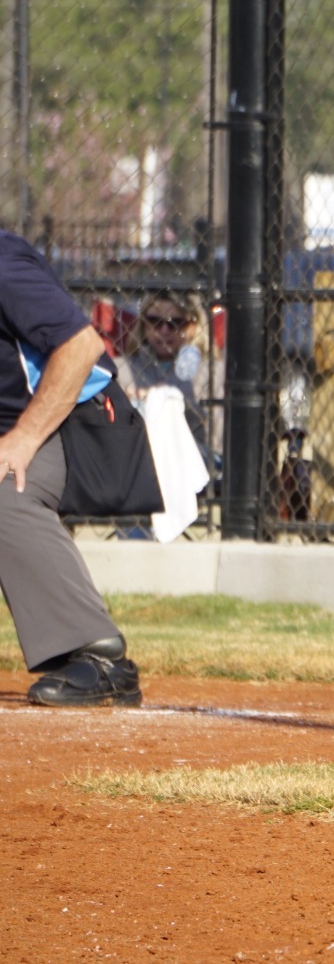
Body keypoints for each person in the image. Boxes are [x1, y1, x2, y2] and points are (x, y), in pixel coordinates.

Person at [0, 228, 144, 706]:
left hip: (75, 423)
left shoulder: (3, 263)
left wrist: (22, 438)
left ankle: (99, 655)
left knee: (3, 486)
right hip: (28, 429)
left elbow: (82, 348)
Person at [116, 291, 214, 464]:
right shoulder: (122, 368)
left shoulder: (210, 370)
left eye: (175, 323)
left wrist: (162, 397)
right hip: (136, 457)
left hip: (193, 458)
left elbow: (215, 432)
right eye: (155, 321)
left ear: (192, 327)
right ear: (144, 324)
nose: (164, 330)